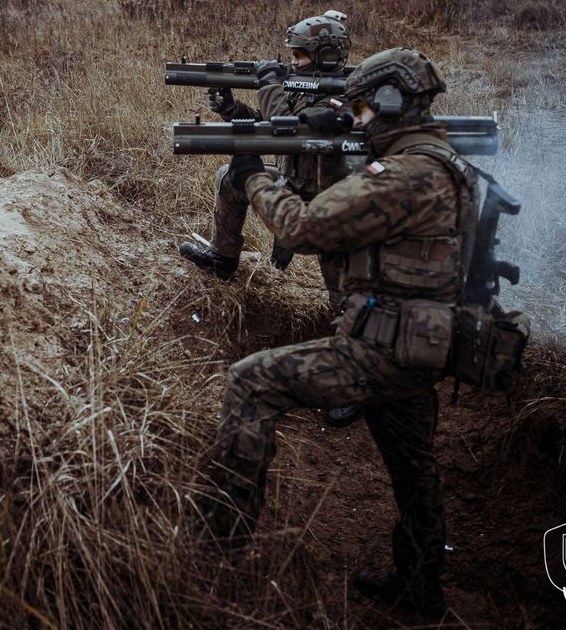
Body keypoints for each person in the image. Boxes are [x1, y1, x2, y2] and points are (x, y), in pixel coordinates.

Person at [199, 48, 475, 621]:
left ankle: (213, 551)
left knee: (252, 382)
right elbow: (345, 220)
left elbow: (303, 227)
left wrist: (251, 175)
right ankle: (421, 589)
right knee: (415, 470)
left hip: (382, 351)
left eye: (364, 109)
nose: (359, 120)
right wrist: (328, 151)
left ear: (395, 103)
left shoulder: (404, 176)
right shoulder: (438, 159)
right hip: (419, 345)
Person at [177, 10, 352, 311]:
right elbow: (266, 122)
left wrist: (269, 86)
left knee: (344, 299)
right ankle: (223, 257)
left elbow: (287, 131)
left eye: (299, 54)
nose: (293, 61)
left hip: (330, 203)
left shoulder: (341, 97)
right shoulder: (305, 89)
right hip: (294, 185)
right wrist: (231, 108)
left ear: (324, 55)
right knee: (228, 178)